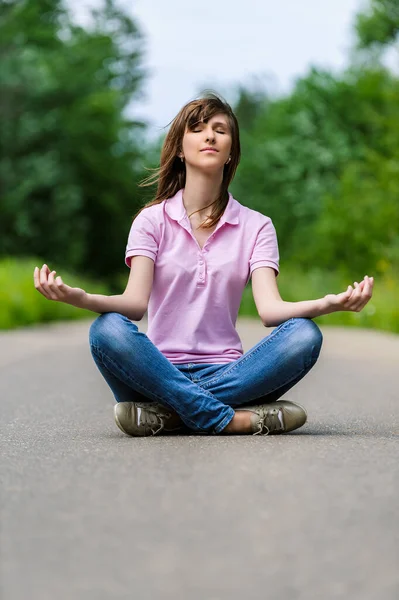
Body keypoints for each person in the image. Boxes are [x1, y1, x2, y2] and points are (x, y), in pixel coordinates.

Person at [33, 92, 374, 438]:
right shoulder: (151, 221)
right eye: (197, 128)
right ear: (180, 149)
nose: (209, 135)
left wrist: (328, 304)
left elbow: (271, 310)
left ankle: (169, 415)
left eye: (220, 130)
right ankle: (228, 418)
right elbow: (134, 305)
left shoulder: (257, 226)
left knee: (304, 334)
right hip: (155, 373)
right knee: (106, 330)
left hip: (231, 374)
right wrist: (79, 297)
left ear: (230, 153)